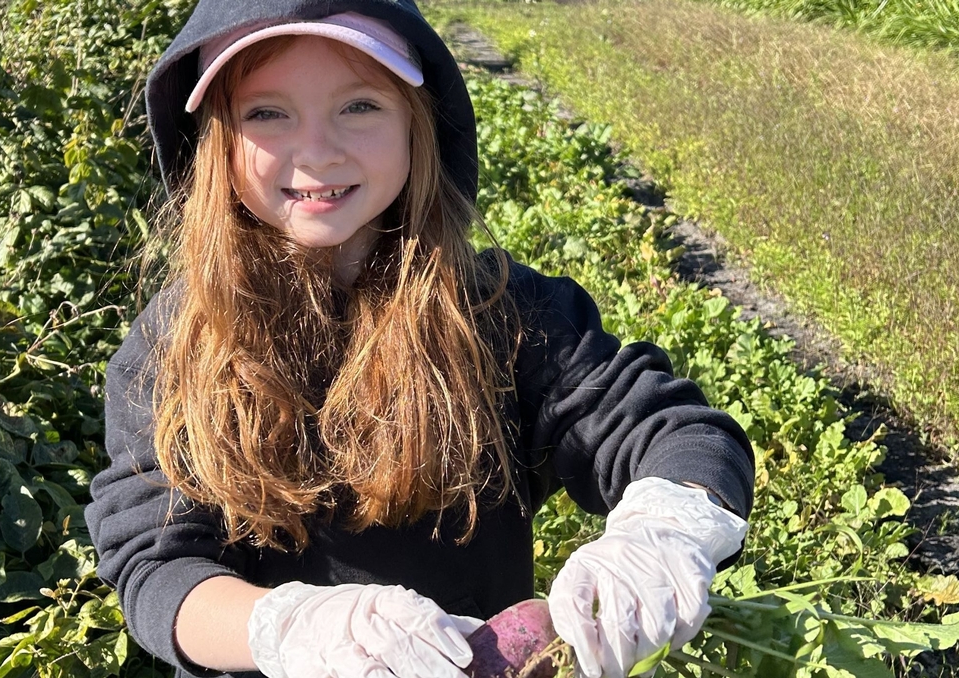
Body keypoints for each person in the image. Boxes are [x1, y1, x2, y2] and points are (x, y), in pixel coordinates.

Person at [83, 1, 756, 677]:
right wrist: (285, 629)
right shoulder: (175, 345)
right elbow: (156, 565)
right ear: (215, 141)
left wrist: (666, 528)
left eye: (359, 106)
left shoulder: (497, 312)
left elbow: (667, 428)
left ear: (417, 121)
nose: (317, 150)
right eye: (266, 113)